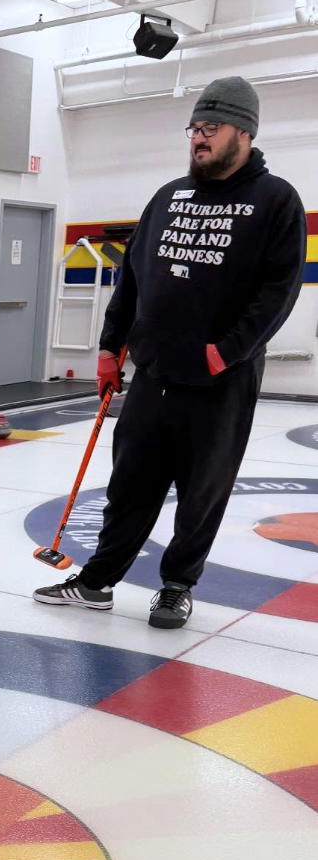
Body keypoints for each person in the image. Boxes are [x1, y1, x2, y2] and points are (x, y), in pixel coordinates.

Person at [35, 76, 306, 628]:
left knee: (202, 490)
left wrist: (225, 352)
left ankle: (177, 585)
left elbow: (278, 292)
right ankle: (96, 582)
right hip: (153, 373)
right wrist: (112, 346)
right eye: (194, 129)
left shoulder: (276, 201)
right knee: (130, 483)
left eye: (211, 129)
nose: (198, 139)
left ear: (245, 132)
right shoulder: (168, 196)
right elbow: (132, 279)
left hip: (218, 381)